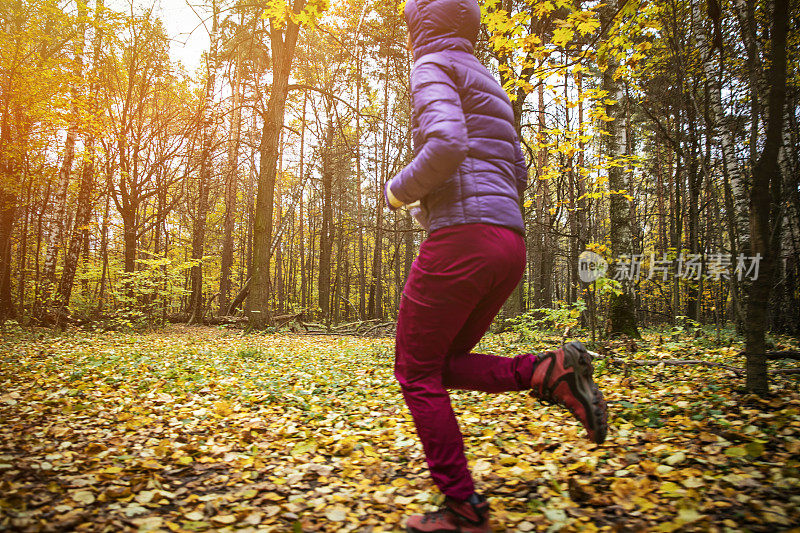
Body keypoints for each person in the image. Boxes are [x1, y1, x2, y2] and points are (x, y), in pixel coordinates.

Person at [383, 0, 609, 531]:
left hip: (463, 242)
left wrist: (399, 193)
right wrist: (457, 209)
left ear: (420, 23)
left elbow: (447, 143)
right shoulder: (488, 80)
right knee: (444, 365)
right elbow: (518, 170)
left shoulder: (430, 66)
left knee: (415, 373)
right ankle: (544, 370)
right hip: (508, 242)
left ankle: (464, 509)